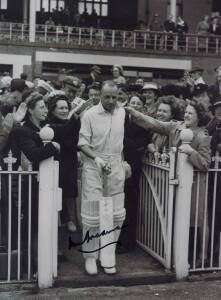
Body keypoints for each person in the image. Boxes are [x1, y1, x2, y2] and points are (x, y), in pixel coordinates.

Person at [126, 100, 211, 265]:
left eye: (190, 113)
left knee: (198, 221)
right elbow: (154, 123)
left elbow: (206, 163)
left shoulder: (203, 135)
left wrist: (191, 152)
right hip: (175, 182)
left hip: (196, 185)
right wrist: (135, 113)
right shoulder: (175, 127)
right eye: (185, 112)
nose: (186, 115)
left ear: (198, 117)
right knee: (174, 217)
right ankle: (171, 255)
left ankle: (202, 256)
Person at [78, 81, 130, 275]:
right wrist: (97, 159)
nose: (110, 101)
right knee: (92, 215)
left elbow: (120, 143)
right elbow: (82, 143)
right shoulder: (90, 114)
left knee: (116, 215)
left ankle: (107, 256)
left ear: (118, 97)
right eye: (106, 96)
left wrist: (123, 162)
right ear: (100, 95)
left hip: (115, 166)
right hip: (94, 166)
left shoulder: (122, 113)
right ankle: (90, 257)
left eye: (114, 97)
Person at [117, 94, 150, 253]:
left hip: (133, 169)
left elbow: (139, 146)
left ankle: (127, 241)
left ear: (142, 107)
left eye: (138, 103)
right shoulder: (121, 120)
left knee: (129, 205)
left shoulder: (144, 124)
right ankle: (117, 238)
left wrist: (123, 139)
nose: (135, 105)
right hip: (118, 165)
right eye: (132, 102)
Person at [47, 91, 80, 233]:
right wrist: (73, 118)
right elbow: (63, 132)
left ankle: (71, 219)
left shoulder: (73, 122)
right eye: (61, 108)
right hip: (56, 162)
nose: (64, 111)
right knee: (57, 190)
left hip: (70, 160)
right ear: (53, 110)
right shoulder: (49, 123)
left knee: (70, 191)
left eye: (66, 108)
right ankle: (61, 219)